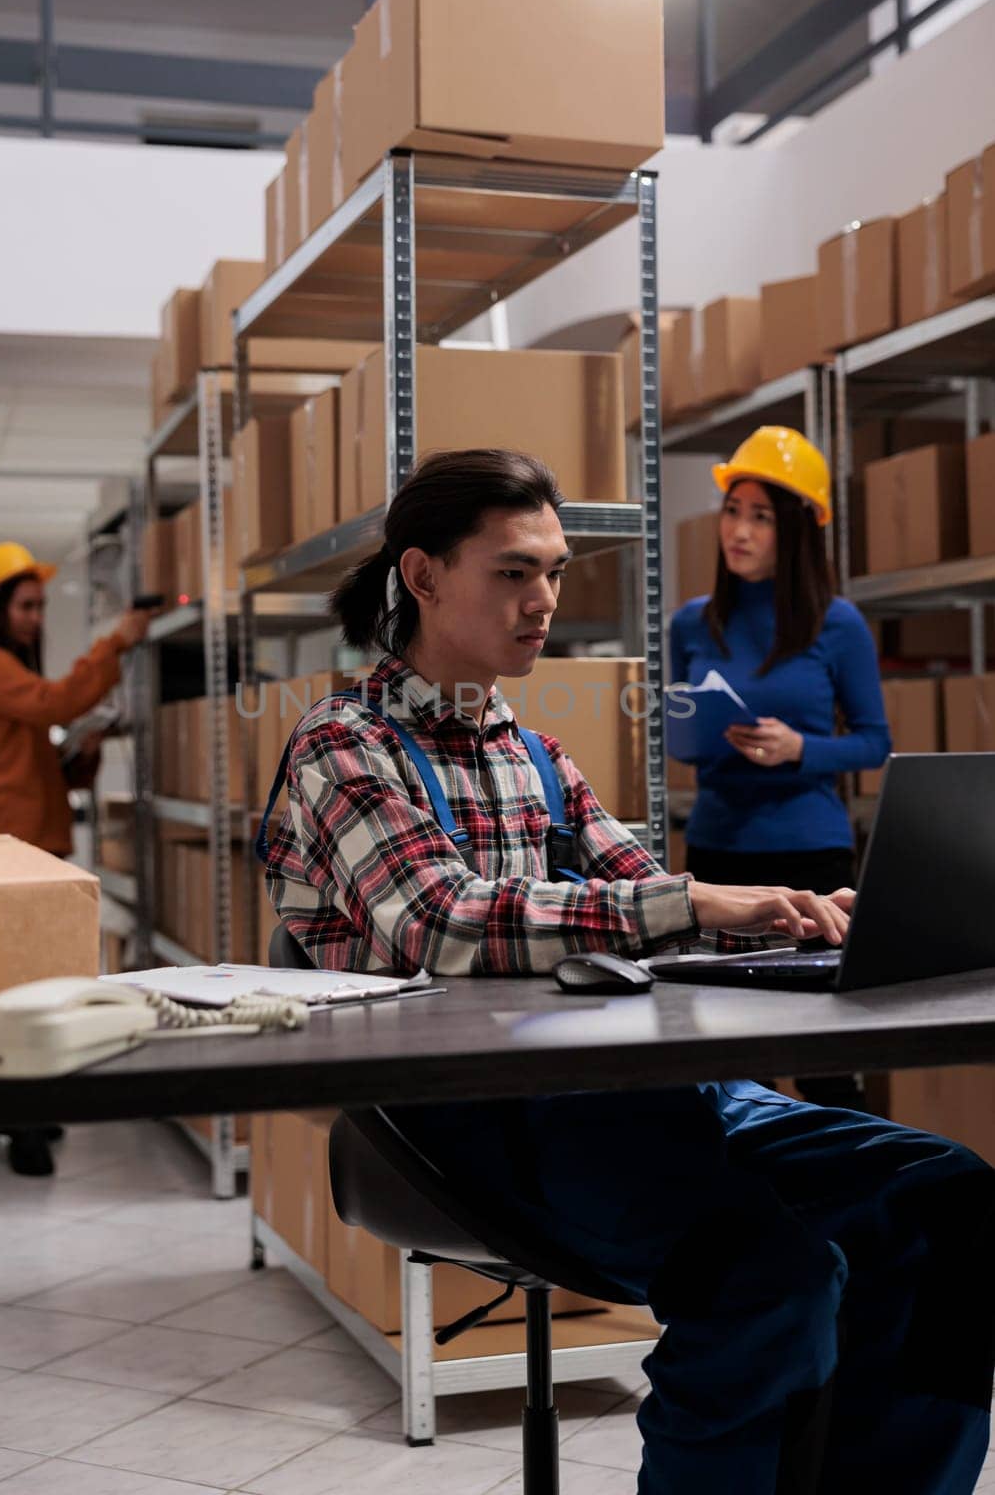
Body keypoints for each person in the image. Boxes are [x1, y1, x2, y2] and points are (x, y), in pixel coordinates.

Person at [265, 448, 994, 1495]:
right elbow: (439, 919)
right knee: (769, 1280)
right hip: (475, 1116)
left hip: (626, 1087)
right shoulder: (344, 745)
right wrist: (695, 897)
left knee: (944, 1196)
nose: (543, 600)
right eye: (513, 571)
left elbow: (642, 897)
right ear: (421, 577)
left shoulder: (537, 757)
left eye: (554, 571)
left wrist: (805, 920)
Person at [670, 426, 891, 1109]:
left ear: (794, 530)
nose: (737, 530)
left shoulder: (838, 624)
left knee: (826, 1059)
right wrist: (703, 734)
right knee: (735, 1066)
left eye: (759, 517)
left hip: (812, 863)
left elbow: (874, 742)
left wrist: (801, 750)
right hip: (716, 860)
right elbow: (679, 742)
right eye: (732, 511)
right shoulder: (690, 623)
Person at [0, 541, 149, 1175]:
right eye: (26, 606)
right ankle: (23, 1127)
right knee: (26, 987)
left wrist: (82, 755)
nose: (36, 617)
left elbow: (35, 756)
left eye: (41, 606)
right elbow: (52, 704)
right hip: (18, 847)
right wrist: (113, 644)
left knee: (16, 982)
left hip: (31, 839)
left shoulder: (2, 669)